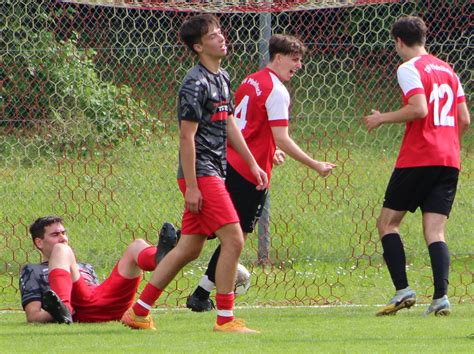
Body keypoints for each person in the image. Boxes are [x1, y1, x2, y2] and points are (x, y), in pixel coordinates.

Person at [120, 14, 267, 333]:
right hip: (199, 174)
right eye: (214, 35)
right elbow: (186, 136)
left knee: (190, 247)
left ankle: (139, 312)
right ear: (199, 46)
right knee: (234, 239)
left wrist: (252, 163)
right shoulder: (194, 83)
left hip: (212, 171)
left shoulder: (223, 77)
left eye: (220, 33)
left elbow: (229, 125)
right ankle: (225, 320)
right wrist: (191, 186)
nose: (222, 38)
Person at [186, 34, 336, 312]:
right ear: (278, 58)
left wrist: (268, 149)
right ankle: (202, 295)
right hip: (248, 173)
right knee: (235, 237)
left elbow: (247, 126)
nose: (299, 65)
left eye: (301, 60)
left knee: (214, 232)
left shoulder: (250, 80)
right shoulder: (277, 91)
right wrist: (315, 164)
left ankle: (196, 288)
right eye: (295, 59)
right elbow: (282, 137)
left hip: (227, 163)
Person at [363, 16, 470, 316]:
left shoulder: (409, 68)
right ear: (424, 37)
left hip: (419, 157)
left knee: (388, 223)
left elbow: (419, 109)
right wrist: (446, 140)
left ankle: (403, 290)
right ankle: (441, 299)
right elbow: (464, 120)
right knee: (435, 231)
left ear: (398, 41)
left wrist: (381, 117)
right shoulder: (449, 70)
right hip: (449, 159)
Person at [19, 216, 178, 324]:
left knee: (137, 244)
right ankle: (64, 308)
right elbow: (33, 316)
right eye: (55, 234)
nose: (63, 238)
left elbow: (95, 298)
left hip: (109, 303)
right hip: (79, 308)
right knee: (61, 249)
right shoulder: (33, 270)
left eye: (63, 233)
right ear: (39, 242)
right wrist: (56, 313)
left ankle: (159, 259)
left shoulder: (85, 267)